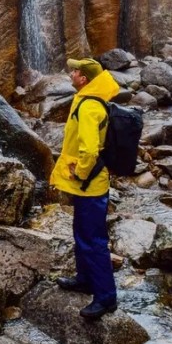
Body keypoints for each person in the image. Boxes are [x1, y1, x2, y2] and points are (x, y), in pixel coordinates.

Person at [50, 57, 120, 320]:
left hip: (90, 183)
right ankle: (85, 279)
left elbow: (89, 150)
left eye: (76, 70)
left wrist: (79, 173)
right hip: (87, 184)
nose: (72, 73)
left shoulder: (90, 107)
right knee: (81, 232)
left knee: (94, 240)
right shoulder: (86, 99)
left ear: (85, 79)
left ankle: (106, 297)